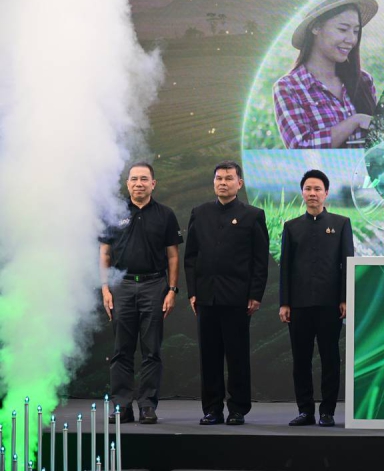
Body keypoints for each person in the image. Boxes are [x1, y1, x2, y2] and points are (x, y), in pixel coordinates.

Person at [184, 161, 270, 426]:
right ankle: (212, 409)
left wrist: (255, 294)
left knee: (237, 356)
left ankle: (237, 409)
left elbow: (260, 260)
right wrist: (193, 292)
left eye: (229, 178)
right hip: (206, 297)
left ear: (239, 183)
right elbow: (191, 257)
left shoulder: (252, 215)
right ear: (213, 182)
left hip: (237, 298)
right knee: (209, 356)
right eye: (219, 178)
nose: (223, 182)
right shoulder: (200, 213)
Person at [99, 162, 183, 424]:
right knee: (121, 350)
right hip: (121, 286)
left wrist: (172, 290)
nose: (139, 183)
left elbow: (173, 256)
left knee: (151, 350)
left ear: (153, 184)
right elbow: (105, 253)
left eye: (144, 179)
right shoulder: (114, 212)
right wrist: (105, 288)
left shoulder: (165, 215)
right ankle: (121, 406)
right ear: (128, 183)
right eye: (134, 179)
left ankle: (147, 405)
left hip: (154, 286)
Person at [279, 170, 354, 427]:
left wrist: (345, 298)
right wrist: (284, 302)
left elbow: (347, 263)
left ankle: (327, 411)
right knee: (301, 360)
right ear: (302, 192)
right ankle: (305, 411)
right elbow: (285, 267)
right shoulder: (291, 227)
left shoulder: (341, 223)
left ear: (326, 193)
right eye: (308, 189)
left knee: (330, 358)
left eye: (317, 189)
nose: (312, 193)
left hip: (330, 304)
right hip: (298, 305)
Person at [273, 0, 379, 149]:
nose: (351, 39)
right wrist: (354, 121)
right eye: (343, 29)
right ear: (316, 27)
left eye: (356, 31)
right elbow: (300, 149)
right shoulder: (289, 87)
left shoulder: (364, 80)